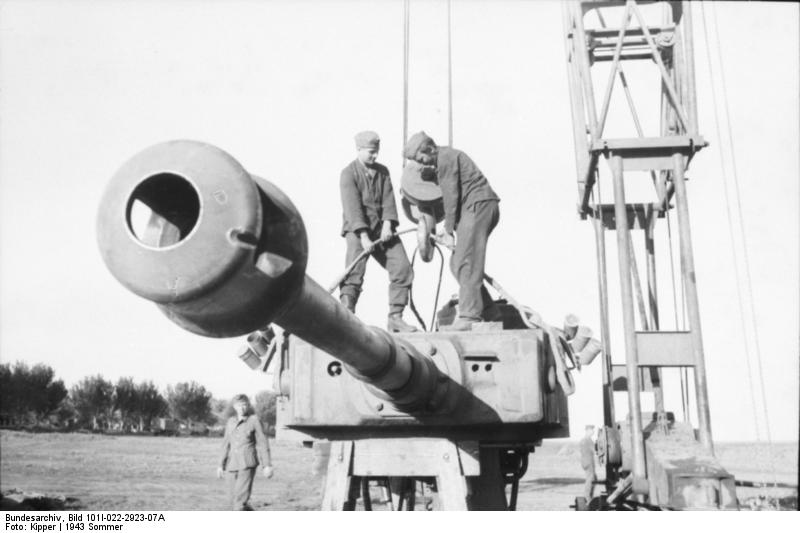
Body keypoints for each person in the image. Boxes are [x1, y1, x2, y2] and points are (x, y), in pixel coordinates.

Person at [403, 131, 500, 331]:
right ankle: (489, 310)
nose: (420, 165)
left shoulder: (446, 159)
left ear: (429, 149)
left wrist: (448, 231)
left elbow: (450, 195)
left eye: (420, 159)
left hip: (478, 206)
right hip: (474, 208)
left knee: (466, 260)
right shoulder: (441, 160)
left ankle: (469, 316)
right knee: (457, 263)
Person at [340, 130, 418, 333]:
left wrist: (387, 224)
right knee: (354, 274)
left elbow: (388, 199)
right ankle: (346, 316)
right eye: (370, 152)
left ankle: (395, 318)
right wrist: (364, 236)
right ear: (359, 150)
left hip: (382, 230)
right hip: (358, 231)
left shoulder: (383, 171)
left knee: (402, 268)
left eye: (377, 152)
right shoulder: (348, 174)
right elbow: (352, 208)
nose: (374, 156)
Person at [217, 394, 274, 511]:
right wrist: (220, 465)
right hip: (231, 465)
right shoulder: (231, 422)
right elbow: (225, 444)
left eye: (244, 405)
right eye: (239, 405)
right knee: (232, 501)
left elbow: (263, 443)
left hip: (247, 463)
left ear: (248, 406)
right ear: (234, 407)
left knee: (239, 501)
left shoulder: (254, 420)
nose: (242, 408)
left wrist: (267, 465)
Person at [579, 424, 597, 502]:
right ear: (587, 430)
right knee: (591, 478)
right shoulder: (588, 440)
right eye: (592, 430)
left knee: (593, 478)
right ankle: (587, 497)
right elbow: (594, 450)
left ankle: (589, 496)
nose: (593, 431)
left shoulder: (583, 440)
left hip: (585, 461)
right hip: (589, 461)